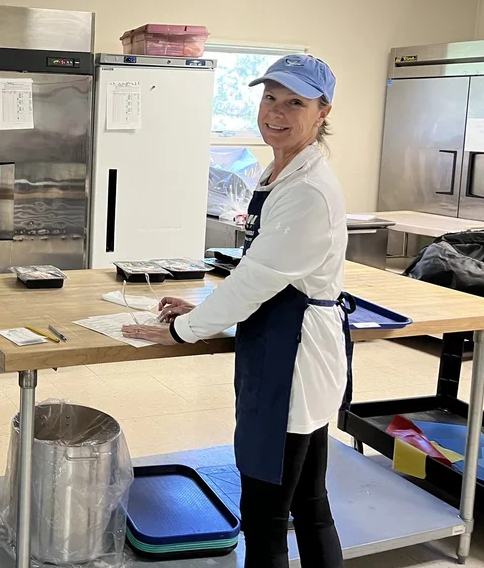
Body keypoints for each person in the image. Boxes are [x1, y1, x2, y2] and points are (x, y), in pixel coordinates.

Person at [124, 55, 350, 568]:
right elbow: (264, 271)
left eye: (295, 102)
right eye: (270, 97)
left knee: (268, 518)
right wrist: (204, 309)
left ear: (322, 112)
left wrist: (184, 331)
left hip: (289, 365)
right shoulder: (284, 171)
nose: (277, 111)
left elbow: (256, 281)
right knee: (310, 504)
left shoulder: (308, 190)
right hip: (285, 345)